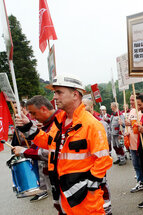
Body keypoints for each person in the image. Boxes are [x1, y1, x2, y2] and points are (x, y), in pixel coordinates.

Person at [15, 73, 112, 214]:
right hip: (65, 194)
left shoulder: (91, 124)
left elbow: (103, 160)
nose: (54, 97)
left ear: (75, 95)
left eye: (59, 92)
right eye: (55, 92)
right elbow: (49, 143)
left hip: (85, 200)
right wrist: (28, 127)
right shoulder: (60, 121)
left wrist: (89, 188)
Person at [13, 96, 59, 203]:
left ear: (43, 109)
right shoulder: (50, 122)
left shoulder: (59, 121)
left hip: (68, 179)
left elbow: (48, 152)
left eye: (33, 113)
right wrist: (28, 126)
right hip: (55, 178)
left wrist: (23, 151)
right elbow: (44, 142)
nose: (31, 116)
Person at [82, 99, 113, 215]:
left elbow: (105, 144)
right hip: (85, 164)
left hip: (99, 162)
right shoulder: (79, 123)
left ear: (91, 108)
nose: (82, 108)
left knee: (102, 185)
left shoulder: (100, 123)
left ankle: (107, 208)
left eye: (85, 105)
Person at [125, 95, 143, 193]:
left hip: (140, 143)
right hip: (132, 143)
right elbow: (129, 125)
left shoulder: (141, 111)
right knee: (136, 165)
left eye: (133, 100)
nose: (131, 102)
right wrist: (126, 130)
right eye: (130, 100)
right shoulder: (131, 111)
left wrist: (131, 124)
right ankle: (140, 182)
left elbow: (142, 126)